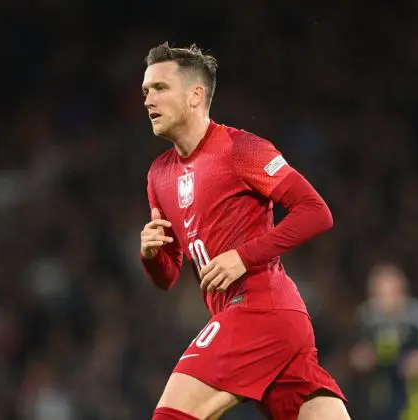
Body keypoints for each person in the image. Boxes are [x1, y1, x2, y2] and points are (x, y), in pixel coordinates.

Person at [139, 42, 350, 420]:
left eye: (160, 88)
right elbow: (167, 277)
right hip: (268, 324)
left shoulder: (241, 148)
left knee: (171, 415)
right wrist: (151, 255)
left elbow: (316, 212)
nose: (148, 99)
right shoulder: (158, 174)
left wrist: (244, 256)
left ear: (195, 95)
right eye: (145, 91)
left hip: (260, 308)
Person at [349, 263, 418, 420]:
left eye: (383, 295)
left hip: (414, 394)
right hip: (380, 395)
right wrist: (362, 358)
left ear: (399, 291)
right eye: (374, 294)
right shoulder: (368, 317)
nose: (377, 301)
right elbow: (359, 351)